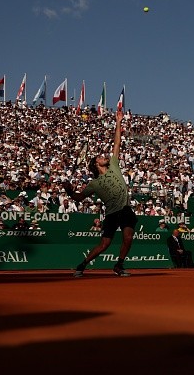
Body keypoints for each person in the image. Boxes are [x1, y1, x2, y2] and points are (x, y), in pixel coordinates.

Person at [63, 110, 137, 277]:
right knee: (104, 244)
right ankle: (82, 265)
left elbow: (117, 144)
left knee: (128, 237)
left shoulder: (114, 165)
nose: (104, 157)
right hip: (111, 213)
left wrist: (118, 122)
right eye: (100, 157)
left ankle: (119, 264)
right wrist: (69, 191)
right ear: (96, 164)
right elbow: (79, 197)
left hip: (125, 209)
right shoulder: (94, 184)